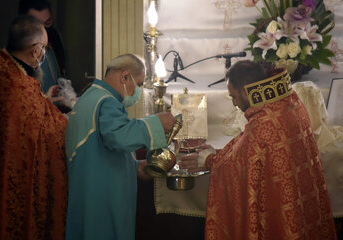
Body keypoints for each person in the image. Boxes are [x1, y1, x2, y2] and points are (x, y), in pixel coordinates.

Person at [179, 60, 337, 240]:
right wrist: (219, 154)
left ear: (246, 92)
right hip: (303, 207)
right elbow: (249, 147)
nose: (234, 103)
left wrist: (209, 161)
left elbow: (242, 164)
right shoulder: (290, 102)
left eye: (234, 96)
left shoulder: (263, 123)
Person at [65, 53, 175, 240]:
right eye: (139, 84)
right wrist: (157, 123)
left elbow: (101, 151)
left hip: (90, 195)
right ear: (125, 76)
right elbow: (119, 137)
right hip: (102, 202)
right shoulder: (105, 102)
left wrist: (137, 168)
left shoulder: (91, 97)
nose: (139, 91)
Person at [0, 15, 68, 239]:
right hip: (17, 174)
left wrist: (44, 102)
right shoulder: (20, 86)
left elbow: (22, 118)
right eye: (44, 49)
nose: (44, 54)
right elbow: (48, 131)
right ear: (34, 51)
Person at [18, 0, 71, 112]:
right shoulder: (15, 55)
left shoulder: (55, 40)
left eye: (47, 23)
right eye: (36, 24)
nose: (43, 31)